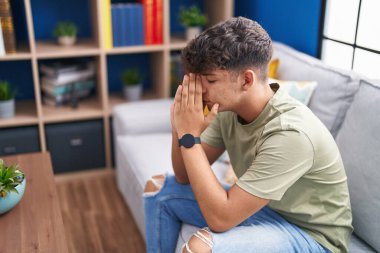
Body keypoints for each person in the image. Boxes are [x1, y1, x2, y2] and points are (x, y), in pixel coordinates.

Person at [143, 17, 353, 253]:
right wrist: (180, 126)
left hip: (312, 236)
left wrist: (190, 137)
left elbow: (220, 219)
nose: (201, 91)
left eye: (210, 80)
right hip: (267, 211)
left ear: (246, 80)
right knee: (159, 190)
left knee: (200, 248)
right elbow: (183, 176)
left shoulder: (291, 134)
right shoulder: (227, 109)